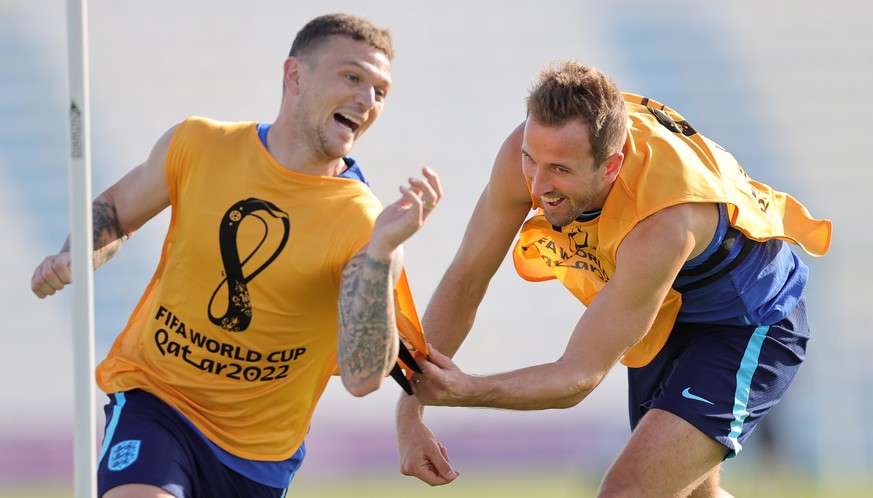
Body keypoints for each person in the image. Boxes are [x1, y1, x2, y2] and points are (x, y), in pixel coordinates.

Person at [31, 13, 440, 498]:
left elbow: (362, 376)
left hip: (258, 458)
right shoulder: (200, 144)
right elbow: (118, 210)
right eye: (352, 77)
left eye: (380, 91)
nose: (367, 101)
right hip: (158, 399)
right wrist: (76, 254)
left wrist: (380, 257)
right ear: (294, 76)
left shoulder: (363, 224)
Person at [395, 60, 831, 497]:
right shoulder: (529, 154)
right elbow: (468, 276)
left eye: (561, 170)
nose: (538, 185)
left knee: (627, 492)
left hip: (747, 319)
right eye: (533, 160)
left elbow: (579, 374)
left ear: (610, 166)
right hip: (662, 314)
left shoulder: (664, 220)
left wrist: (469, 390)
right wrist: (409, 412)